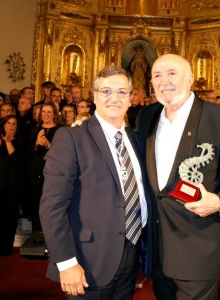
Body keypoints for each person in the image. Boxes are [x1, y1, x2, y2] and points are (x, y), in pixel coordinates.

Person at [136, 54, 220, 300]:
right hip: (157, 249)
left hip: (198, 247)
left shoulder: (219, 118)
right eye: (157, 75)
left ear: (190, 78)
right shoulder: (146, 116)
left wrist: (219, 201)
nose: (163, 81)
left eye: (172, 73)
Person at [39, 66, 152, 299]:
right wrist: (66, 262)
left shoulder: (137, 140)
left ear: (131, 99)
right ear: (94, 96)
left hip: (131, 255)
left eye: (122, 92)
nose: (114, 98)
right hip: (88, 260)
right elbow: (52, 206)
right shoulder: (72, 137)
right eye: (106, 91)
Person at [28, 102, 61, 231]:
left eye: (49, 112)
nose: (46, 114)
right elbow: (28, 152)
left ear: (54, 114)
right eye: (43, 112)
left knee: (51, 206)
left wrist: (48, 144)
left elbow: (62, 153)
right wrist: (36, 144)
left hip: (53, 174)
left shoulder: (60, 130)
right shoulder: (35, 129)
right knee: (36, 204)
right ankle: (36, 234)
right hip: (36, 173)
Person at [0, 115, 25, 255]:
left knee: (11, 217)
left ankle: (6, 248)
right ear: (3, 124)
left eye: (14, 124)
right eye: (8, 123)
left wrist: (8, 141)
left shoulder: (20, 141)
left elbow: (15, 158)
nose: (11, 126)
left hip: (14, 185)